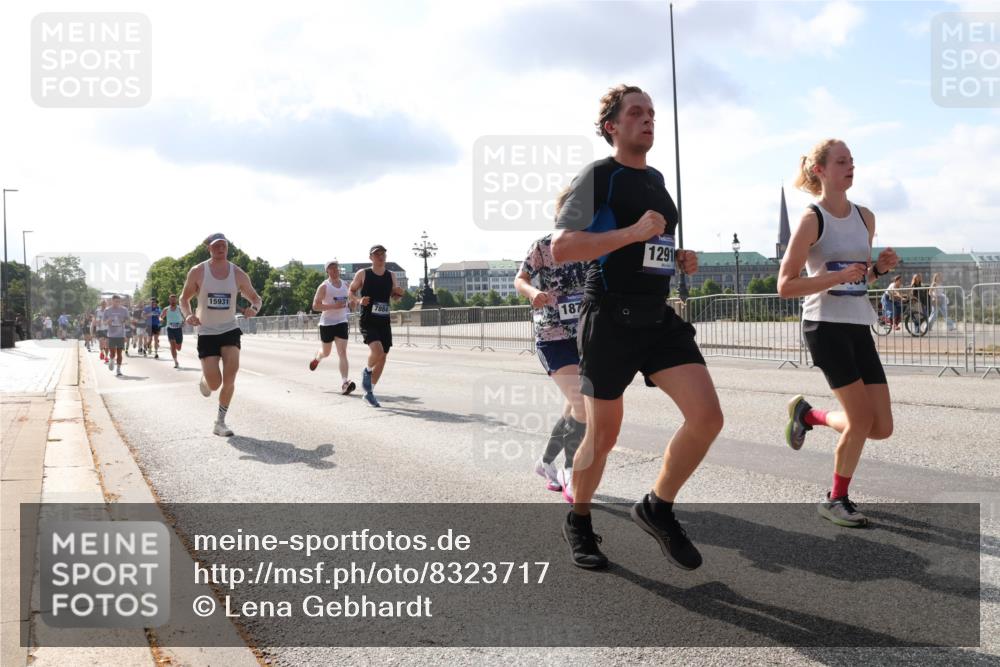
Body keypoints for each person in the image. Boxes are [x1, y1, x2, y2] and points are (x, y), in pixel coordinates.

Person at [551, 85, 719, 570]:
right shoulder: (597, 176)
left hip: (657, 314)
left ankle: (656, 506)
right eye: (636, 113)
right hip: (609, 317)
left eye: (651, 112)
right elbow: (562, 247)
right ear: (613, 126)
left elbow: (654, 247)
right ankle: (578, 520)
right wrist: (631, 234)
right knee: (602, 438)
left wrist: (678, 257)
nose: (648, 119)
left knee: (707, 417)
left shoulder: (658, 179)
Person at [780, 138, 900, 528]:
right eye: (842, 161)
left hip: (857, 324)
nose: (851, 166)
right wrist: (833, 276)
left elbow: (858, 277)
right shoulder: (812, 218)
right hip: (824, 326)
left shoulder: (865, 217)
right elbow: (785, 284)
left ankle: (808, 415)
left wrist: (878, 270)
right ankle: (836, 498)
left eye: (852, 161)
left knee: (880, 426)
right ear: (821, 170)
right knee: (861, 419)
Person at [515, 188, 588, 503]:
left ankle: (545, 463)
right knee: (583, 403)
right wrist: (533, 293)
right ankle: (571, 470)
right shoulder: (542, 247)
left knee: (573, 407)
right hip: (552, 335)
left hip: (584, 336)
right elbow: (520, 279)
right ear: (559, 214)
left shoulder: (591, 246)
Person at [180, 233, 262, 437]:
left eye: (224, 245)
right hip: (207, 331)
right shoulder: (198, 271)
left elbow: (255, 297)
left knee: (231, 375)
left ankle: (220, 422)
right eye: (216, 246)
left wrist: (254, 308)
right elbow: (184, 299)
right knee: (215, 384)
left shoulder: (237, 273)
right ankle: (206, 380)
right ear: (209, 248)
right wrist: (189, 315)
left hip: (229, 329)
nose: (221, 249)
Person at [349, 245, 405, 408]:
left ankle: (369, 392)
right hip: (368, 319)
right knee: (377, 351)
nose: (381, 257)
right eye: (377, 254)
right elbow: (350, 292)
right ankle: (366, 371)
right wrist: (359, 300)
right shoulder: (363, 274)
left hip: (384, 320)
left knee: (383, 356)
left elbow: (395, 299)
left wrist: (399, 294)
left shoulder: (391, 275)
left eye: (383, 254)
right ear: (371, 258)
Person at [309, 260, 357, 395]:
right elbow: (315, 306)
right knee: (327, 352)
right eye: (332, 268)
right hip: (327, 323)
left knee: (342, 352)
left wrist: (353, 303)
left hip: (342, 321)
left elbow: (351, 305)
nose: (335, 270)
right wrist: (333, 306)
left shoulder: (346, 285)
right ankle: (318, 358)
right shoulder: (324, 287)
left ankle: (345, 382)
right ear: (327, 271)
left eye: (336, 268)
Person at [103, 295, 130, 377]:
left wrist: (124, 320)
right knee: (112, 353)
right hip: (111, 334)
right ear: (112, 301)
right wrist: (108, 321)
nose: (116, 303)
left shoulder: (124, 310)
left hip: (121, 334)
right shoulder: (107, 310)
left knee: (119, 353)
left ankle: (118, 370)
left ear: (120, 302)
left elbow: (128, 320)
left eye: (118, 301)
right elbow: (104, 322)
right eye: (115, 301)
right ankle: (111, 359)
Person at [162, 293, 185, 368]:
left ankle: (176, 345)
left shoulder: (180, 308)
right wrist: (160, 319)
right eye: (171, 300)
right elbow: (161, 317)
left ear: (176, 300)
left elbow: (184, 317)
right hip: (170, 328)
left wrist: (183, 322)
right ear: (169, 300)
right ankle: (175, 362)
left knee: (178, 348)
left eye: (174, 300)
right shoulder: (166, 309)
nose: (173, 301)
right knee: (172, 345)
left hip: (178, 329)